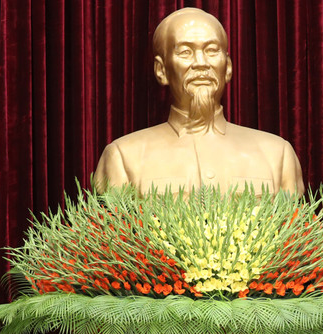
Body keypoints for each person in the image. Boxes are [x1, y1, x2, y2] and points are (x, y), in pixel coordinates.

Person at [92, 7, 304, 197]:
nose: (201, 63)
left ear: (228, 67)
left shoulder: (277, 155)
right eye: (185, 52)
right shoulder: (123, 157)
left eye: (212, 50)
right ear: (161, 70)